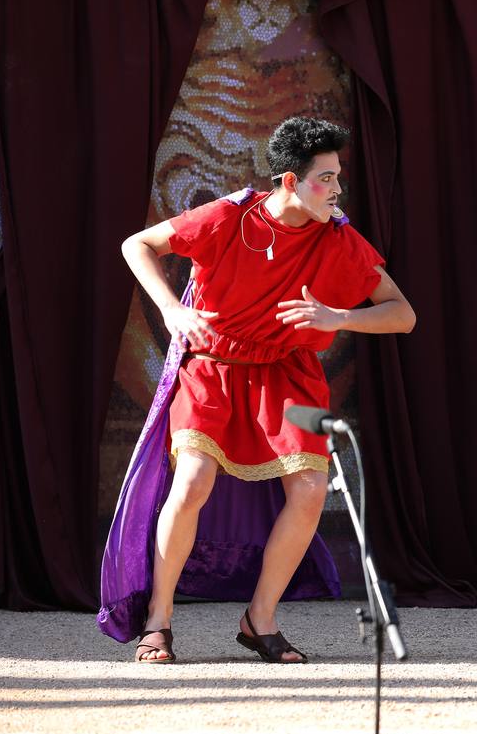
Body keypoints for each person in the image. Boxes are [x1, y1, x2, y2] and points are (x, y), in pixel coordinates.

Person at [99, 117, 415, 663]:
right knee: (193, 480)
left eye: (338, 176)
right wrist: (173, 310)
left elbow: (402, 315)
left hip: (288, 373)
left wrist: (336, 315)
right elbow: (137, 245)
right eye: (326, 178)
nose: (338, 189)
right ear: (290, 182)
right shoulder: (229, 216)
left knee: (312, 489)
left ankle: (259, 619)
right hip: (214, 368)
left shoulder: (339, 237)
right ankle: (159, 620)